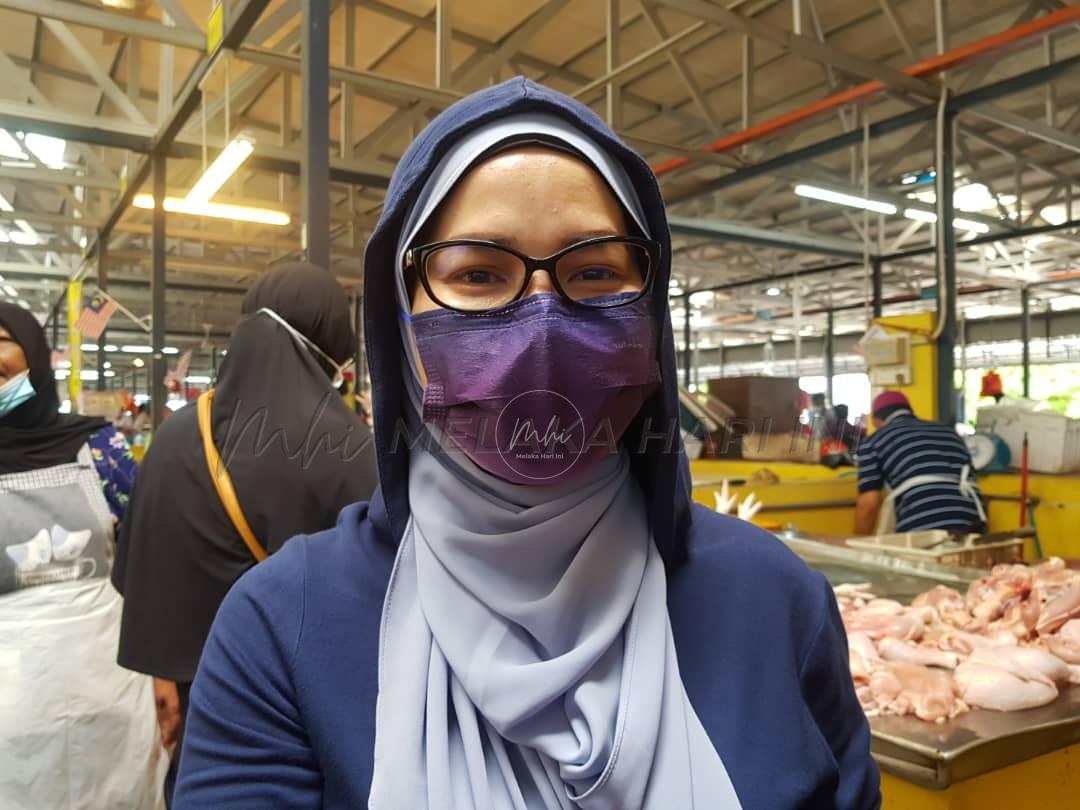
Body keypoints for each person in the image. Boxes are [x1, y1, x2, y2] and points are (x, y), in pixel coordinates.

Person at [174, 79, 879, 809]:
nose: (542, 325)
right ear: (400, 319)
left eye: (596, 272)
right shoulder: (283, 628)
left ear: (650, 311)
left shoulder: (775, 602)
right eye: (478, 274)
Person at [111, 263, 379, 806]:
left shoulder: (176, 435)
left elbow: (141, 562)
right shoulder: (350, 449)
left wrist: (164, 678)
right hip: (323, 706)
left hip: (200, 699)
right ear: (330, 339)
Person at [0, 301, 164, 809]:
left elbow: (151, 554)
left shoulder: (96, 446)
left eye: (1, 342)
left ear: (33, 354)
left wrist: (163, 667)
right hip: (11, 704)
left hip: (110, 685)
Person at [854, 390, 985, 536]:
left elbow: (869, 504)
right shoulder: (949, 432)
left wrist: (857, 544)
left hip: (922, 525)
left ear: (876, 421)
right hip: (973, 521)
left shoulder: (873, 441)